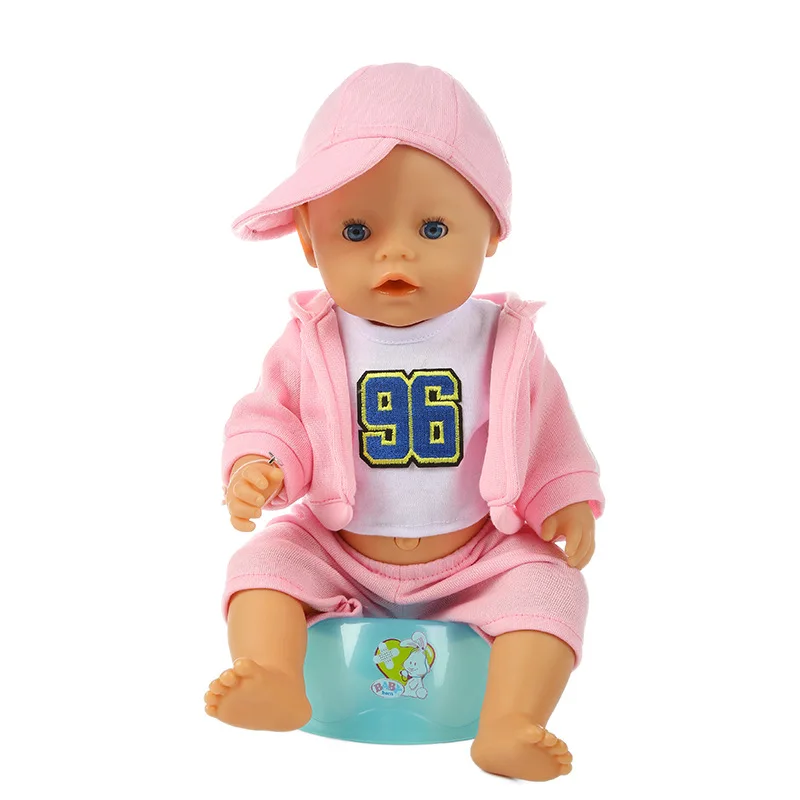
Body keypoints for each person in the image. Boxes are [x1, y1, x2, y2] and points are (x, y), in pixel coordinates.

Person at [204, 63, 604, 782]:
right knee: (263, 567)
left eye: (434, 227)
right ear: (309, 241)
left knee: (551, 590)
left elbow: (547, 428)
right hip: (338, 548)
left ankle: (510, 722)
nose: (395, 251)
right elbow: (272, 413)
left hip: (477, 554)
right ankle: (273, 675)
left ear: (491, 233)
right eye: (356, 229)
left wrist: (564, 497)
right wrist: (261, 464)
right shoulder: (312, 338)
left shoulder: (504, 341)